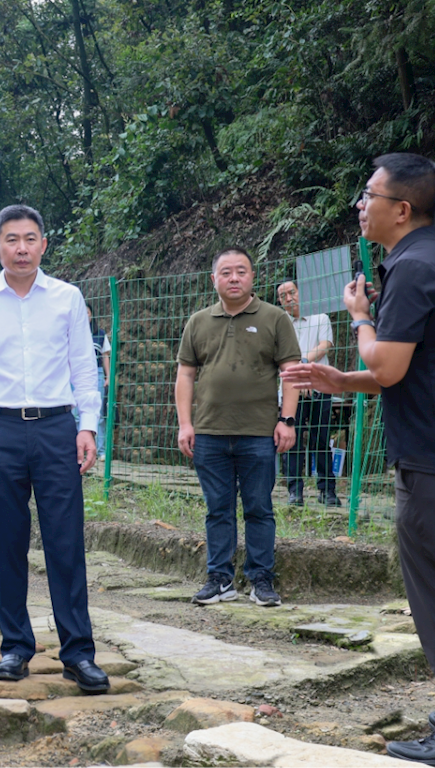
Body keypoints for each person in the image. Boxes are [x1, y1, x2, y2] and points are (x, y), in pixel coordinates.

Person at [281, 153, 435, 766]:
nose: (361, 205)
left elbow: (388, 366)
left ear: (403, 208)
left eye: (369, 195)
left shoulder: (414, 267)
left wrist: (360, 319)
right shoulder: (422, 259)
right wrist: (343, 382)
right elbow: (407, 369)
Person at [0, 204, 109, 694]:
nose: (22, 248)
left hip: (56, 428)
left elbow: (84, 369)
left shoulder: (66, 298)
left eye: (30, 238)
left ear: (44, 244)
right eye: (12, 240)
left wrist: (88, 427)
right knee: (7, 540)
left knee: (66, 541)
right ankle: (16, 646)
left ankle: (78, 653)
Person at [175, 248, 301, 608]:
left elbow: (291, 372)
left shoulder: (275, 318)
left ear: (252, 276)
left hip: (259, 433)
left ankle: (261, 579)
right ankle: (219, 579)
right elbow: (185, 375)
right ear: (213, 279)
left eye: (241, 271)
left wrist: (287, 420)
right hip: (209, 433)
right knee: (218, 509)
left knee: (259, 508)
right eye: (226, 272)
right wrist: (185, 424)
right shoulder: (198, 321)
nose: (234, 278)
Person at [276, 280, 340, 507]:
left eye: (291, 292)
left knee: (320, 438)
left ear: (300, 292)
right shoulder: (280, 323)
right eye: (283, 296)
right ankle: (295, 492)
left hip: (319, 387)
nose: (288, 298)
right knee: (291, 439)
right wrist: (298, 377)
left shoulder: (320, 317)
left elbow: (324, 345)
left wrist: (302, 366)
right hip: (291, 389)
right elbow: (278, 356)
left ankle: (327, 490)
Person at [87, 306, 112, 459]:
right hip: (76, 374)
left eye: (87, 313)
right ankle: (79, 450)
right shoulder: (73, 333)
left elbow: (105, 355)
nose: (85, 315)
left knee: (99, 413)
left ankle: (101, 450)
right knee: (76, 414)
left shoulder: (100, 334)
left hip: (97, 373)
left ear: (92, 315)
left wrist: (108, 376)